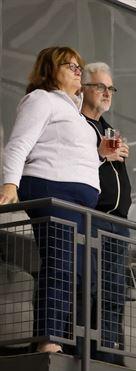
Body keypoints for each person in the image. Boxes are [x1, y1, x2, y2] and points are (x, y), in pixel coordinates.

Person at [1, 47, 121, 352]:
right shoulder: (41, 99)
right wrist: (9, 184)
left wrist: (99, 156)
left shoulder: (74, 114)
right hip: (52, 190)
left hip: (79, 201)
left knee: (80, 273)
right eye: (70, 66)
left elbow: (74, 160)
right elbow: (18, 144)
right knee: (62, 266)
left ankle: (70, 342)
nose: (78, 70)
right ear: (51, 70)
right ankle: (48, 339)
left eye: (79, 66)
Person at [80, 62, 131, 363]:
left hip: (118, 222)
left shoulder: (107, 127)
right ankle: (89, 351)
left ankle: (109, 351)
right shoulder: (77, 125)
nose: (106, 93)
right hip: (93, 218)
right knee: (91, 287)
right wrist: (99, 154)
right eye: (100, 86)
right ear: (84, 88)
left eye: (110, 88)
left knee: (114, 291)